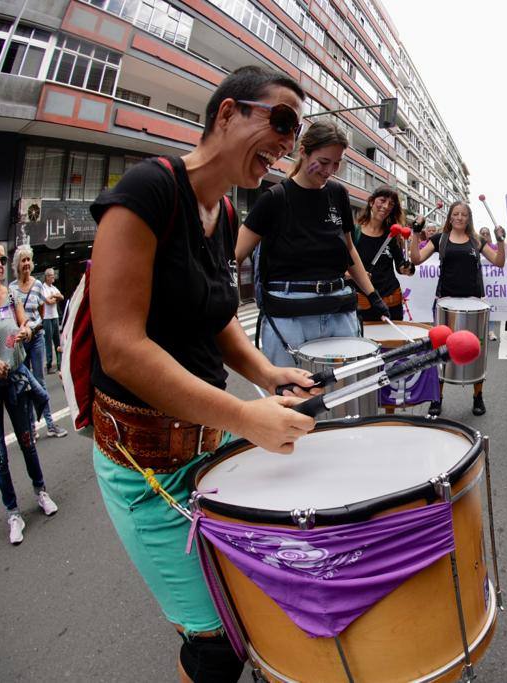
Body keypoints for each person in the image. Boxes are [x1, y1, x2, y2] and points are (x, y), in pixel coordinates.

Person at [88, 66, 319, 683]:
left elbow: (215, 316)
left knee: (269, 588)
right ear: (226, 114)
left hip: (206, 443)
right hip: (144, 467)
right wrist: (246, 414)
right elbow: (120, 347)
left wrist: (267, 374)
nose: (288, 146)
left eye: (295, 135)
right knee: (217, 647)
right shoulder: (148, 189)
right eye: (282, 122)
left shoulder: (217, 210)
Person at [236, 119, 387, 367]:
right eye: (325, 162)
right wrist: (225, 299)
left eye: (337, 163)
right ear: (303, 151)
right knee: (294, 400)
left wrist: (372, 294)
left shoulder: (338, 194)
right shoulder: (274, 199)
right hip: (289, 315)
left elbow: (349, 250)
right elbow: (235, 254)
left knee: (343, 397)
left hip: (338, 310)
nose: (330, 170)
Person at [0, 241, 57, 545]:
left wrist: (28, 330)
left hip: (15, 379)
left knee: (28, 441)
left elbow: (26, 323)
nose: (1, 265)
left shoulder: (13, 296)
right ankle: (13, 513)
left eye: (3, 260)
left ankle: (41, 491)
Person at [408, 201, 505, 416]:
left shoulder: (476, 240)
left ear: (468, 218)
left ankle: (478, 396)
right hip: (445, 302)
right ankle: (437, 397)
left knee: (476, 351)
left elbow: (499, 262)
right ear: (450, 217)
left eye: (464, 214)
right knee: (440, 351)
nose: (459, 217)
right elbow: (416, 259)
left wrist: (500, 240)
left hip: (474, 303)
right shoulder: (440, 239)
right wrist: (416, 233)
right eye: (456, 214)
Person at [9, 246, 68, 438]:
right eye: (22, 260)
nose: (26, 264)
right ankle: (31, 428)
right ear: (17, 265)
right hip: (20, 342)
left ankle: (50, 425)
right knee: (24, 384)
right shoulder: (11, 288)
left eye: (28, 260)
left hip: (36, 339)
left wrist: (34, 328)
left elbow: (41, 312)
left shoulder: (37, 285)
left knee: (40, 381)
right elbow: (11, 318)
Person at [353, 186, 412, 322]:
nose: (386, 206)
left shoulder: (392, 235)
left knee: (394, 342)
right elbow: (341, 267)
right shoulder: (354, 232)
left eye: (391, 204)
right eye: (382, 200)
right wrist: (354, 275)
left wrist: (407, 268)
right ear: (371, 202)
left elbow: (400, 266)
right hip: (362, 302)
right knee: (365, 342)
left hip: (391, 299)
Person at [41, 268, 64, 372]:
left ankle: (60, 364)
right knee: (48, 342)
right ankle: (49, 365)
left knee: (57, 341)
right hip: (47, 318)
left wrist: (54, 296)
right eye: (51, 275)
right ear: (46, 277)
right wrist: (55, 297)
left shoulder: (54, 288)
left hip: (55, 316)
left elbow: (62, 297)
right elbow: (48, 301)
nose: (53, 276)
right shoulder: (43, 288)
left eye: (53, 275)